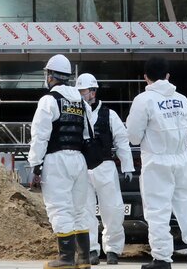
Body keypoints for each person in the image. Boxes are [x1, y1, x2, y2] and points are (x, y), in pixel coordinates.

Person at [126, 56, 187, 269]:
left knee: (157, 211)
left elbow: (133, 137)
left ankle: (162, 258)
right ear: (168, 76)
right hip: (183, 159)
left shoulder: (143, 100)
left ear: (145, 77)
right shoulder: (182, 100)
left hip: (157, 162)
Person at [30, 54, 94, 269]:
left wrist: (35, 165)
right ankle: (83, 258)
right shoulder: (81, 102)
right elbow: (88, 134)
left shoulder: (49, 100)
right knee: (79, 209)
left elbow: (40, 136)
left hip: (56, 160)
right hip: (79, 160)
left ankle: (66, 258)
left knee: (59, 208)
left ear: (50, 76)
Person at [75, 73, 134, 266]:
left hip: (105, 166)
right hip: (82, 168)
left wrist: (127, 166)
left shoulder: (109, 114)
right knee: (85, 211)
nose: (81, 94)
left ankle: (113, 250)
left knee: (113, 209)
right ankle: (91, 249)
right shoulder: (75, 113)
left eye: (83, 91)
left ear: (93, 92)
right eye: (79, 91)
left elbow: (122, 140)